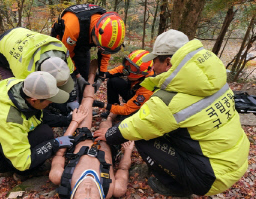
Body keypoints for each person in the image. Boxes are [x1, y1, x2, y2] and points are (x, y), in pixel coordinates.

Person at [94, 29, 250, 197]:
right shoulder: (215, 81)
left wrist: (109, 134)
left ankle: (175, 187)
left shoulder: (169, 99)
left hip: (210, 177)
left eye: (155, 61)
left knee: (142, 138)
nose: (153, 67)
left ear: (168, 62)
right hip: (236, 160)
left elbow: (139, 126)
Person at [49, 60, 134, 199]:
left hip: (81, 138)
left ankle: (91, 75)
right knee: (107, 123)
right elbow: (123, 169)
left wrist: (74, 122)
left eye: (83, 194)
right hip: (106, 143)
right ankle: (115, 113)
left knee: (87, 101)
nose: (88, 189)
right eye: (93, 195)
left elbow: (60, 154)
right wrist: (128, 152)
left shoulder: (59, 177)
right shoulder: (114, 189)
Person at [0, 71, 88, 176]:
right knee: (45, 134)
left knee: (43, 130)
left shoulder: (22, 89)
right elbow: (23, 162)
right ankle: (23, 173)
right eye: (49, 101)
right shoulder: (9, 121)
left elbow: (39, 116)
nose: (51, 103)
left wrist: (68, 120)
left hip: (4, 140)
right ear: (34, 100)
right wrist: (55, 143)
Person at [0, 27, 78, 126]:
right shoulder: (25, 73)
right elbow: (28, 99)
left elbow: (71, 73)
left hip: (20, 34)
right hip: (0, 49)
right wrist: (63, 121)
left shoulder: (61, 50)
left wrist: (72, 99)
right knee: (25, 100)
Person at [50, 4, 125, 101]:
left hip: (82, 44)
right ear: (95, 32)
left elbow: (105, 53)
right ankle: (62, 107)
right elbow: (66, 55)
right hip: (61, 45)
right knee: (65, 78)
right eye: (99, 45)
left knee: (84, 76)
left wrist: (101, 76)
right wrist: (77, 75)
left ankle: (82, 105)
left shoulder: (107, 28)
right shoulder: (74, 27)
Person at [92, 50, 155, 119]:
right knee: (113, 81)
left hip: (139, 104)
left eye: (131, 68)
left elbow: (126, 109)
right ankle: (113, 107)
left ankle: (117, 112)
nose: (126, 69)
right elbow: (117, 70)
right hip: (131, 90)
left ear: (141, 73)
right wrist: (101, 75)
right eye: (127, 64)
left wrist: (101, 104)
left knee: (125, 118)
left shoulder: (148, 88)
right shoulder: (131, 67)